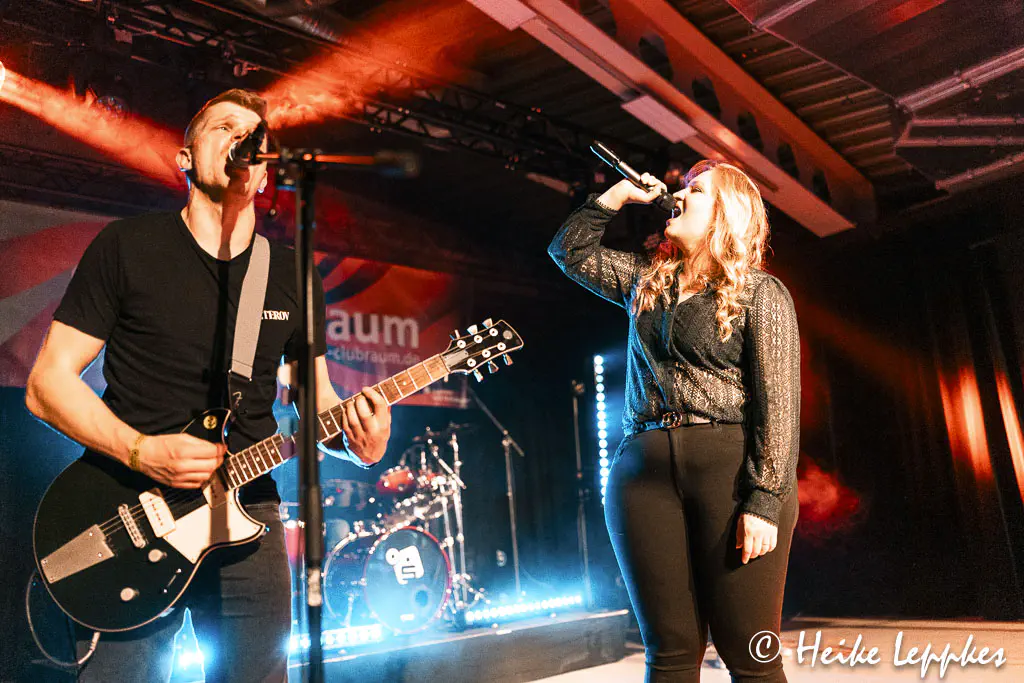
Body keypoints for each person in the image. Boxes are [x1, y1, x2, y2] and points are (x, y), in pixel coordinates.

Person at [25, 89, 392, 683]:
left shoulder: (292, 274)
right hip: (130, 505)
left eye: (254, 136)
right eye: (224, 128)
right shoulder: (127, 247)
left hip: (249, 514)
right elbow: (46, 384)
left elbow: (318, 403)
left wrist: (359, 443)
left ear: (266, 174)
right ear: (186, 159)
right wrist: (140, 451)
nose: (242, 140)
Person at [549, 160, 800, 683]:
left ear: (726, 212)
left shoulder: (760, 292)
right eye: (682, 189)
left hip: (729, 473)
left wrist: (764, 499)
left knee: (749, 655)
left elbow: (778, 403)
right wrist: (617, 196)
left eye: (696, 190)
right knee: (669, 652)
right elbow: (569, 251)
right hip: (642, 475)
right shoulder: (646, 282)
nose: (679, 196)